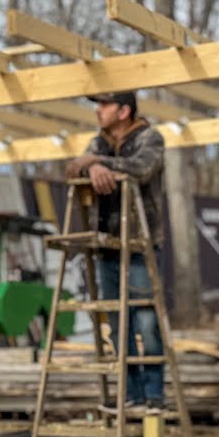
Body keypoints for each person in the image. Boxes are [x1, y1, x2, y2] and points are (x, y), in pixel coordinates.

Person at [64, 91, 168, 411]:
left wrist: (96, 163)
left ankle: (153, 396)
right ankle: (131, 394)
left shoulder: (151, 137)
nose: (98, 111)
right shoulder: (98, 142)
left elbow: (141, 167)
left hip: (138, 244)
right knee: (119, 321)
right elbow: (73, 169)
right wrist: (89, 167)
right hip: (106, 246)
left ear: (124, 111)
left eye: (104, 105)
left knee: (147, 322)